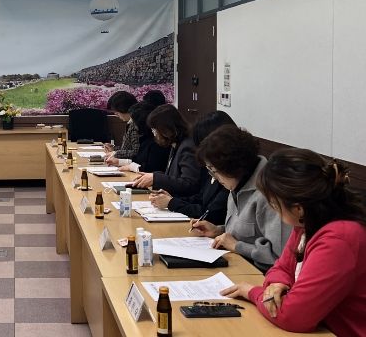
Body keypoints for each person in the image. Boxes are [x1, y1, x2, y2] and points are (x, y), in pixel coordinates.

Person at [221, 150, 366, 335]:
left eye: (275, 205)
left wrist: (251, 292)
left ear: (298, 209)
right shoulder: (307, 223)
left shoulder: (338, 240)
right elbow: (281, 267)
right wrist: (277, 284)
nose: (275, 211)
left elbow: (293, 317)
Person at [191, 125, 290, 271]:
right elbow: (247, 231)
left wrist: (237, 246)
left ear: (233, 167)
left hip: (261, 274)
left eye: (214, 171)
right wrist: (218, 231)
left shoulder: (270, 193)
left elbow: (279, 256)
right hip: (238, 264)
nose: (215, 178)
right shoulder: (238, 183)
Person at [149, 111, 234, 225]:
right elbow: (201, 198)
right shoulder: (214, 167)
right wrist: (171, 199)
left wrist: (172, 202)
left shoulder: (229, 175)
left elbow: (210, 214)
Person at [131, 104, 203, 196]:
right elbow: (173, 175)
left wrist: (155, 178)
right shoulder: (176, 143)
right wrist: (152, 176)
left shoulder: (187, 147)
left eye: (155, 130)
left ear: (166, 129)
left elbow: (188, 183)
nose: (154, 134)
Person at [104, 91, 139, 162]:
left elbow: (137, 152)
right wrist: (114, 149)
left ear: (123, 108)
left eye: (116, 112)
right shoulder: (131, 123)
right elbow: (127, 149)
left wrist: (115, 153)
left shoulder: (136, 125)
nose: (116, 114)